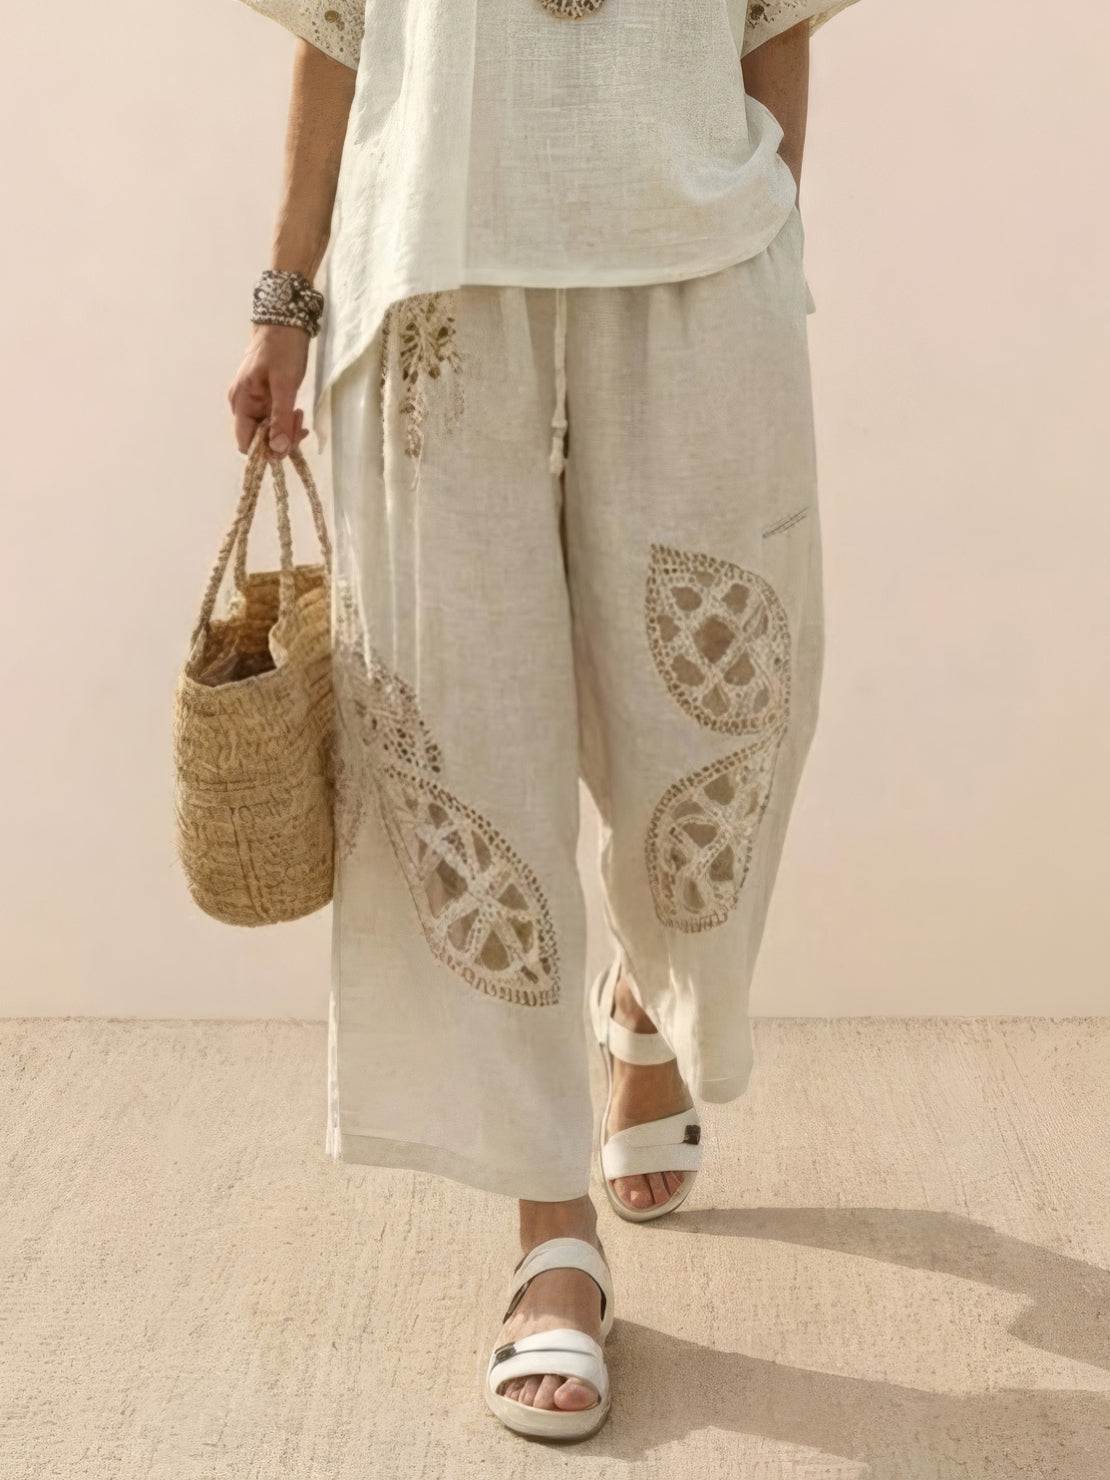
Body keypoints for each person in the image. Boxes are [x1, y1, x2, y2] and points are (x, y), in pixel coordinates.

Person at [226, 0, 858, 1442]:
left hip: (697, 280)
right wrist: (283, 297)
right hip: (433, 283)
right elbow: (337, 27)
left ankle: (646, 1001)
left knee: (723, 720)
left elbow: (778, 16)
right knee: (461, 750)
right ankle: (548, 1228)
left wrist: (767, 229)